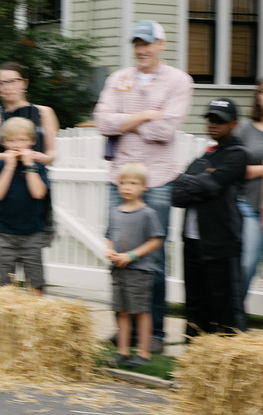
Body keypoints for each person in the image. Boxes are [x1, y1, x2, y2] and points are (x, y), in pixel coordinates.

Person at [94, 19, 193, 353]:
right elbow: (102, 122)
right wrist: (145, 115)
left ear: (161, 44)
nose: (142, 49)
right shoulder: (118, 78)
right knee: (117, 252)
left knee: (154, 257)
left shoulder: (180, 81)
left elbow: (165, 131)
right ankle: (125, 329)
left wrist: (127, 122)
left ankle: (156, 332)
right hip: (120, 179)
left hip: (159, 179)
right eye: (137, 43)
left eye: (148, 43)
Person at [172, 97, 248, 336]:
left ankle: (229, 361)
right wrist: (201, 181)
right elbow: (177, 196)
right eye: (210, 119)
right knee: (195, 304)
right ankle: (193, 359)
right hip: (192, 243)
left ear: (234, 124)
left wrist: (193, 180)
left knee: (225, 305)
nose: (213, 125)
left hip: (220, 242)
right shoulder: (204, 157)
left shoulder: (238, 155)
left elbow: (212, 184)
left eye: (220, 121)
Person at [104, 163, 165, 368]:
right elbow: (109, 237)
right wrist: (110, 251)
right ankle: (122, 351)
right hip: (118, 270)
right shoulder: (115, 212)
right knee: (121, 311)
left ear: (144, 186)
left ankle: (144, 353)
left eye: (133, 183)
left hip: (139, 271)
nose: (127, 187)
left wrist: (131, 255)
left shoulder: (147, 213)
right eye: (123, 183)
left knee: (140, 311)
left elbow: (156, 240)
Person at [0, 117, 49, 295]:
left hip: (32, 234)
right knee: (2, 282)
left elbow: (39, 193)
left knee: (35, 282)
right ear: (4, 142)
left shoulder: (38, 166)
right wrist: (9, 166)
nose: (16, 144)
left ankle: (35, 317)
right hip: (4, 233)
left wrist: (29, 165)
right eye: (11, 140)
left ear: (32, 141)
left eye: (22, 139)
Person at [0, 61, 60, 166]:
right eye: (1, 83)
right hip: (4, 176)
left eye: (12, 81)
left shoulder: (45, 113)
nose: (7, 87)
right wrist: (10, 156)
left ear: (24, 83)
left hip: (36, 175)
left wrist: (40, 157)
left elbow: (52, 154)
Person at [235, 79, 263, 302]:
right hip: (249, 207)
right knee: (246, 263)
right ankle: (233, 318)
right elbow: (234, 169)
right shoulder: (245, 129)